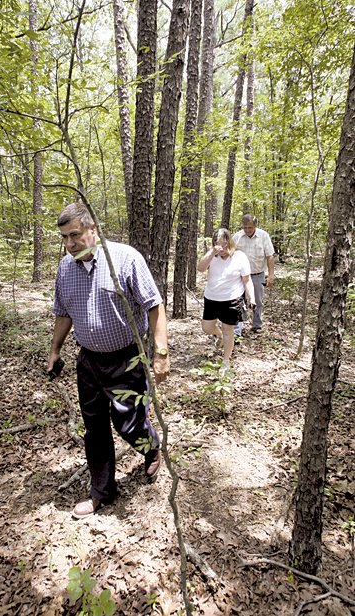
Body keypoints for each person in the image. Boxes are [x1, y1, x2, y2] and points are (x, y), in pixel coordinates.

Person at [47, 202, 170, 519]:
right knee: (95, 428)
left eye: (75, 235)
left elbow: (154, 305)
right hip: (88, 362)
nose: (70, 243)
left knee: (128, 423)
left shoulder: (125, 259)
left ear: (93, 230)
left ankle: (151, 447)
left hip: (126, 359)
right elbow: (63, 313)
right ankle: (102, 492)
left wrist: (161, 353)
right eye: (65, 237)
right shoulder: (65, 268)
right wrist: (55, 350)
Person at [197, 228, 255, 371]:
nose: (221, 248)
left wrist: (251, 298)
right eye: (217, 244)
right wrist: (212, 252)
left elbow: (247, 280)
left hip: (231, 298)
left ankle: (226, 361)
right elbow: (200, 268)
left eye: (223, 244)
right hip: (212, 297)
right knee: (207, 327)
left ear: (229, 242)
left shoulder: (239, 257)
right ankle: (219, 335)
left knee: (228, 329)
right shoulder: (212, 256)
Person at [232, 214, 275, 335]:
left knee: (257, 300)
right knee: (239, 300)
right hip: (240, 275)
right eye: (245, 227)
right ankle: (238, 327)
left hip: (257, 273)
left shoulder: (263, 236)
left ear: (255, 226)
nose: (247, 230)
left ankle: (257, 325)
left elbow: (270, 256)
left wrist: (271, 275)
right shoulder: (237, 237)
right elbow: (230, 254)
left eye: (250, 227)